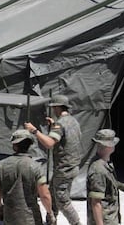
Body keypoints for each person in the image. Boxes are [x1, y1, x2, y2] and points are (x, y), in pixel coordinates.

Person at [25, 94, 82, 225]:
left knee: (62, 201)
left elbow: (49, 143)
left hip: (64, 168)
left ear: (57, 107)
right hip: (72, 166)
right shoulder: (73, 121)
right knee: (53, 195)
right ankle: (51, 221)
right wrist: (54, 125)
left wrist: (34, 131)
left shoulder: (60, 124)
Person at [0, 129, 56, 225]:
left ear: (14, 145)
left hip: (10, 216)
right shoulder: (35, 167)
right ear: (30, 145)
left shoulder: (1, 165)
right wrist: (50, 213)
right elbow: (44, 194)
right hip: (31, 218)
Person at [87, 129, 124, 225]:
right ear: (107, 146)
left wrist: (121, 186)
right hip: (105, 220)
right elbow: (96, 203)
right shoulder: (98, 170)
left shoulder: (105, 162)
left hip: (110, 216)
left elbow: (107, 182)